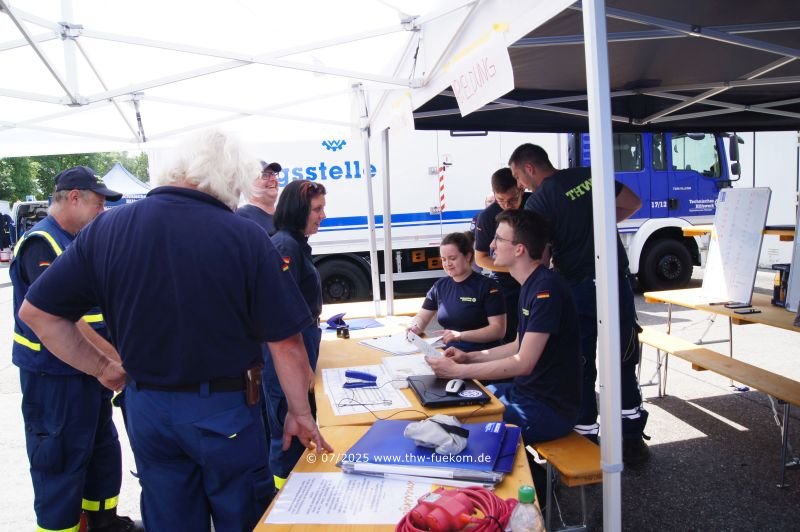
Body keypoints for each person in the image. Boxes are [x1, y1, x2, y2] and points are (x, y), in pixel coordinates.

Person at [18, 129, 333, 532]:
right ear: (229, 180)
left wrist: (102, 368)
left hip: (148, 410)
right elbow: (286, 343)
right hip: (224, 412)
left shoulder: (107, 229)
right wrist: (300, 412)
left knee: (170, 519)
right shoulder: (244, 236)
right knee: (242, 516)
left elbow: (38, 313)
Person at [9, 167, 142, 532]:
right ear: (73, 197)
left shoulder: (76, 241)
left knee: (101, 451)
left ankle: (103, 521)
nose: (102, 213)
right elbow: (64, 317)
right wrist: (113, 362)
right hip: (55, 377)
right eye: (98, 205)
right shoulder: (43, 243)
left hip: (86, 372)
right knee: (60, 462)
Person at [509, 142, 650, 465]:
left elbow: (540, 257)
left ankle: (586, 438)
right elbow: (632, 202)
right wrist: (598, 223)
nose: (519, 185)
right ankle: (631, 439)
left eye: (518, 176)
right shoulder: (591, 175)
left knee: (581, 363)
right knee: (624, 357)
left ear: (530, 168)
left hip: (579, 286)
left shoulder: (541, 200)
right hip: (615, 280)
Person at [426, 210, 581, 451]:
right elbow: (519, 345)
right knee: (456, 406)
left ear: (519, 249)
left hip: (548, 408)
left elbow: (523, 363)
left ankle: (532, 483)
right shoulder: (531, 283)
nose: (491, 244)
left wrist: (460, 370)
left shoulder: (545, 290)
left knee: (464, 432)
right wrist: (468, 356)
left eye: (498, 239)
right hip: (525, 393)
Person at [262, 178, 327, 489]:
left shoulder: (296, 243)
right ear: (298, 210)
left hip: (302, 341)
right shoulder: (285, 245)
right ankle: (283, 495)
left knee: (301, 415)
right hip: (288, 349)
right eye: (317, 209)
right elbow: (282, 317)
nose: (323, 215)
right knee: (287, 422)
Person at [409, 231, 506, 352]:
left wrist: (460, 336)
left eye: (452, 258)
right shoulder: (440, 286)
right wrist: (415, 327)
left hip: (482, 354)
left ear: (468, 256)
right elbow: (422, 317)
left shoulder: (488, 286)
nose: (447, 264)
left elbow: (498, 330)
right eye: (443, 259)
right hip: (449, 352)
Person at [474, 168, 534, 343]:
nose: (508, 206)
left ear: (521, 188)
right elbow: (480, 258)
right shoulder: (487, 217)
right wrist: (517, 269)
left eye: (513, 199)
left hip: (537, 280)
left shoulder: (536, 204)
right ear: (493, 194)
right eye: (501, 201)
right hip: (506, 284)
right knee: (508, 335)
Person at [237, 161, 281, 236]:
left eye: (273, 174)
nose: (273, 179)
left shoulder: (284, 215)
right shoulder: (243, 217)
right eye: (265, 175)